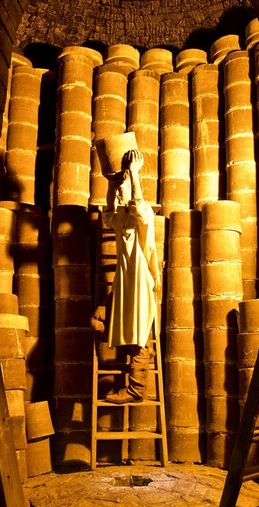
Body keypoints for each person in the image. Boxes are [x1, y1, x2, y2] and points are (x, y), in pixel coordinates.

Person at [95, 147, 160, 403]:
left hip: (141, 278)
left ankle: (135, 389)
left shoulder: (143, 216)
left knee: (140, 331)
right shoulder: (122, 217)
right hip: (125, 279)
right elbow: (110, 214)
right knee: (99, 319)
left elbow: (139, 205)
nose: (123, 191)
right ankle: (133, 382)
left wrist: (135, 174)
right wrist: (113, 184)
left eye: (125, 188)